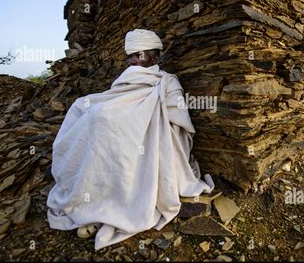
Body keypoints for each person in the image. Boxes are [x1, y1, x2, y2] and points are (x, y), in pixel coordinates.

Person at [47, 29, 214, 250]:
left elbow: (179, 118)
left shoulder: (167, 81)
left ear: (154, 56)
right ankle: (95, 195)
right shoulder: (126, 77)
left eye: (140, 54)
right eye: (132, 55)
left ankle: (116, 201)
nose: (135, 59)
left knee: (110, 121)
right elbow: (117, 98)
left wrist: (150, 114)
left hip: (153, 135)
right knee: (88, 110)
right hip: (115, 129)